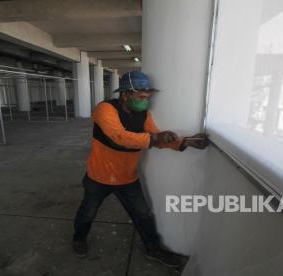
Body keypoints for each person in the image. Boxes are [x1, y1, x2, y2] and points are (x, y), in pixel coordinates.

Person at [72, 71, 209, 268]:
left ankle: (153, 249)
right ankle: (79, 239)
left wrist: (185, 142)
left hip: (127, 178)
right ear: (126, 94)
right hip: (99, 177)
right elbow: (119, 137)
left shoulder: (143, 114)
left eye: (148, 97)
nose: (146, 101)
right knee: (87, 213)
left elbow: (156, 137)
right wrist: (154, 139)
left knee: (143, 215)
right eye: (142, 97)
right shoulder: (105, 109)